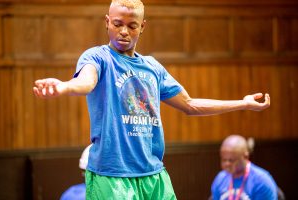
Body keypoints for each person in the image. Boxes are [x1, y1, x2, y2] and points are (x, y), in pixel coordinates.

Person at [33, 0, 271, 199]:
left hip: (153, 174)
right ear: (107, 22)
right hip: (112, 175)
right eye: (117, 24)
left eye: (131, 26)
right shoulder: (98, 57)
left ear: (142, 26)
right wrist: (64, 87)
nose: (124, 31)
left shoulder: (153, 68)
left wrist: (243, 103)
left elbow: (190, 104)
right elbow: (86, 82)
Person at [211, 135, 278, 200]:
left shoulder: (262, 181)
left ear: (245, 157)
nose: (227, 164)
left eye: (231, 160)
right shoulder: (220, 179)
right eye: (223, 159)